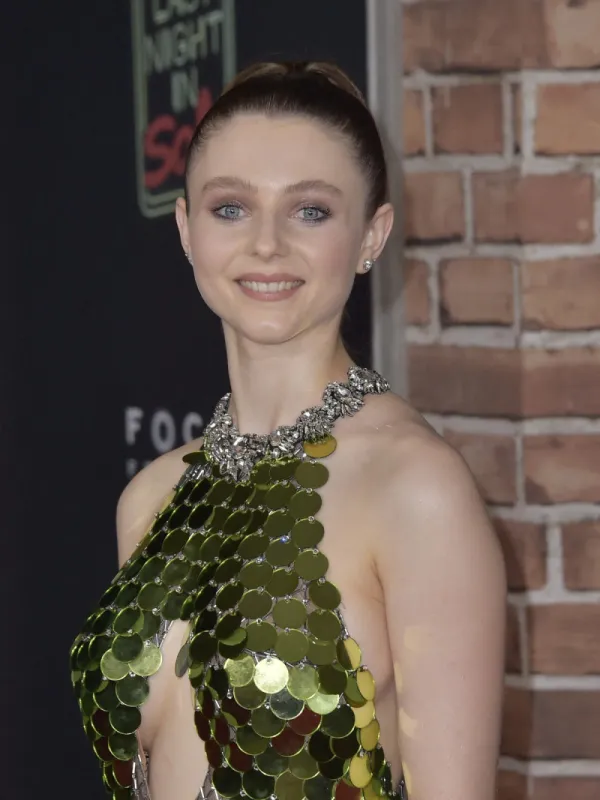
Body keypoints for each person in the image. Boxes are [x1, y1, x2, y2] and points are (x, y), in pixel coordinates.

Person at [70, 61, 507, 800]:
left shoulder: (414, 490)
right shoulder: (149, 497)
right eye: (231, 208)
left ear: (372, 234)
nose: (266, 244)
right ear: (185, 228)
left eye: (310, 211)